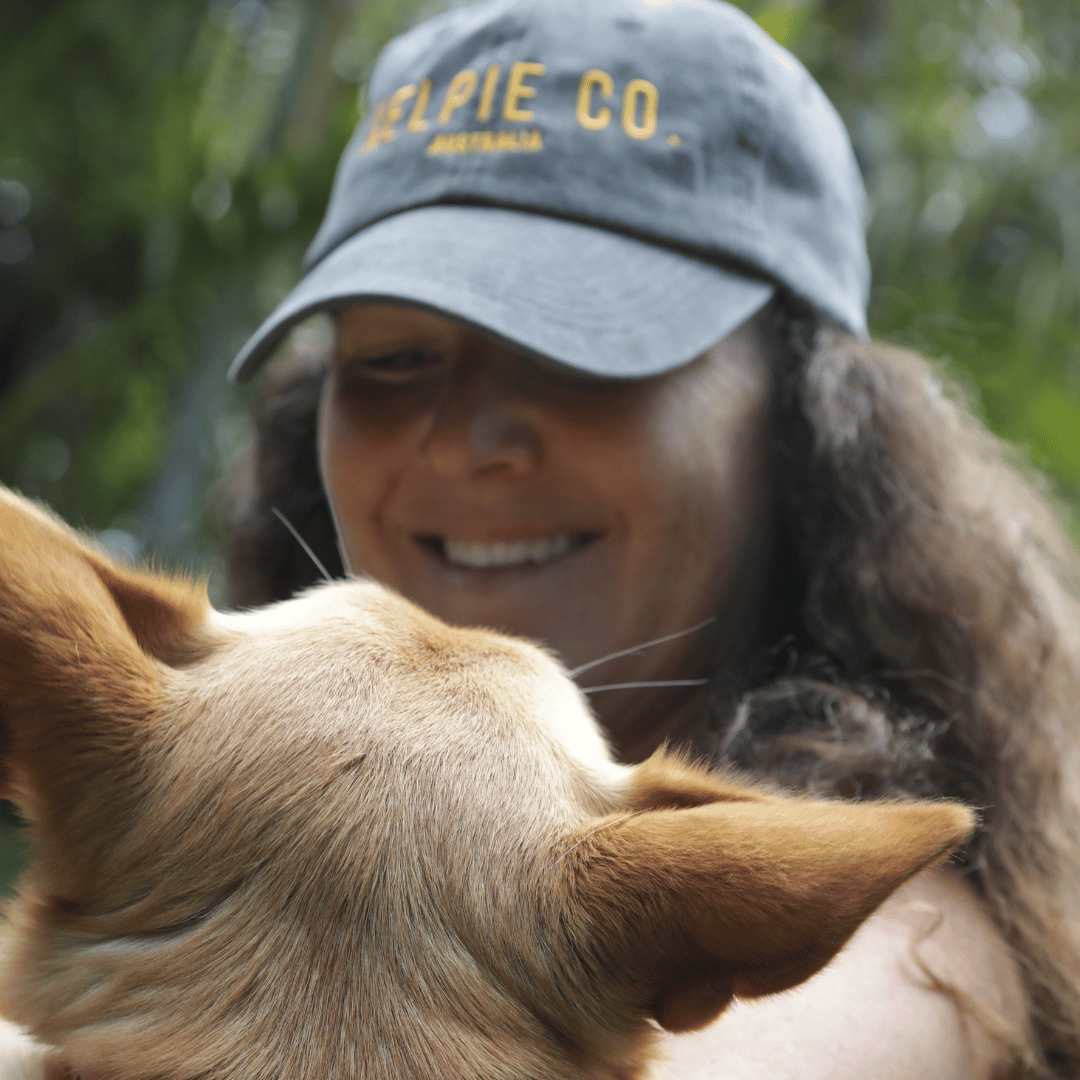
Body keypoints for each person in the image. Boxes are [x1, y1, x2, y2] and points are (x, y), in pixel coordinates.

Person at [220, 0, 1080, 1075]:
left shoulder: (885, 947)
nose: (460, 442)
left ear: (806, 417)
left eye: (575, 348)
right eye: (393, 361)